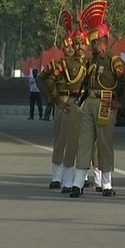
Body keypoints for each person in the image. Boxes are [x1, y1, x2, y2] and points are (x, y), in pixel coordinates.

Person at [69, 0, 125, 197]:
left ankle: (106, 183)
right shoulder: (92, 62)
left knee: (105, 143)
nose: (91, 45)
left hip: (106, 101)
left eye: (94, 42)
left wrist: (121, 102)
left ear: (103, 42)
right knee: (85, 142)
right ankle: (78, 183)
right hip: (89, 102)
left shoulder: (115, 62)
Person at [38, 10, 88, 191]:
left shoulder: (88, 63)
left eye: (77, 44)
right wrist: (55, 100)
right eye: (71, 45)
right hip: (64, 100)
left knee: (82, 140)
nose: (72, 48)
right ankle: (58, 176)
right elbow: (43, 80)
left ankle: (81, 176)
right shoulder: (60, 64)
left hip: (82, 102)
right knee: (61, 139)